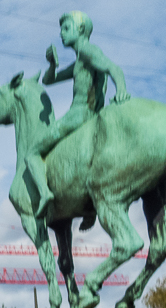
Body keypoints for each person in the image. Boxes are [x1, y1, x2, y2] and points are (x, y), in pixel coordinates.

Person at [27, 11, 129, 220]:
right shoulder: (80, 59)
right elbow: (48, 81)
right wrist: (53, 65)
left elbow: (113, 67)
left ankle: (45, 193)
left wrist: (121, 90)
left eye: (66, 28)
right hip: (92, 115)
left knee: (32, 152)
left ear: (80, 30)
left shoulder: (87, 51)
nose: (61, 34)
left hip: (80, 114)